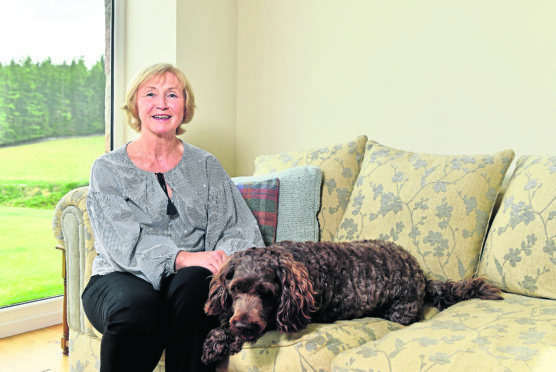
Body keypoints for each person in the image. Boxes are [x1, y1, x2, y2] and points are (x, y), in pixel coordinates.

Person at [81, 63, 264, 372]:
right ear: (135, 106)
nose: (162, 104)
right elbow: (121, 244)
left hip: (184, 285)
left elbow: (237, 228)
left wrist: (223, 260)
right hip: (119, 277)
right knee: (138, 309)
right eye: (150, 94)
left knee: (197, 284)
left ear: (185, 107)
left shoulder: (206, 164)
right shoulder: (107, 168)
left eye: (172, 95)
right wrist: (182, 257)